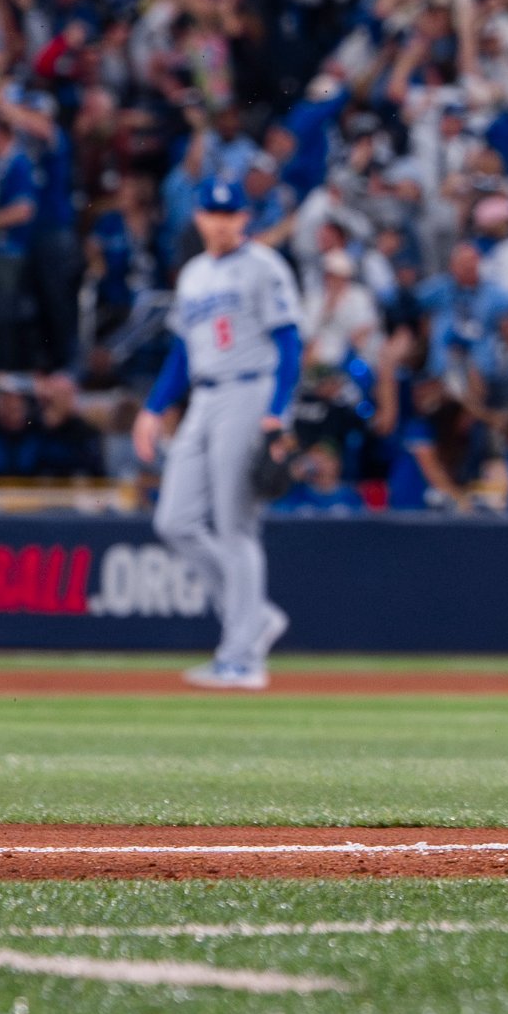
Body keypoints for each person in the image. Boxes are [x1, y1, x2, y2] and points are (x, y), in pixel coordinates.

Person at [134, 177, 304, 690]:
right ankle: (254, 617)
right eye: (212, 212)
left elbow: (291, 343)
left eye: (231, 213)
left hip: (249, 392)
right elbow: (183, 352)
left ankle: (243, 658)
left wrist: (276, 413)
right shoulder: (193, 275)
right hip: (204, 397)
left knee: (236, 526)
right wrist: (152, 408)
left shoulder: (265, 267)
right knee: (174, 520)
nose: (222, 221)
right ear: (200, 217)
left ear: (244, 219)